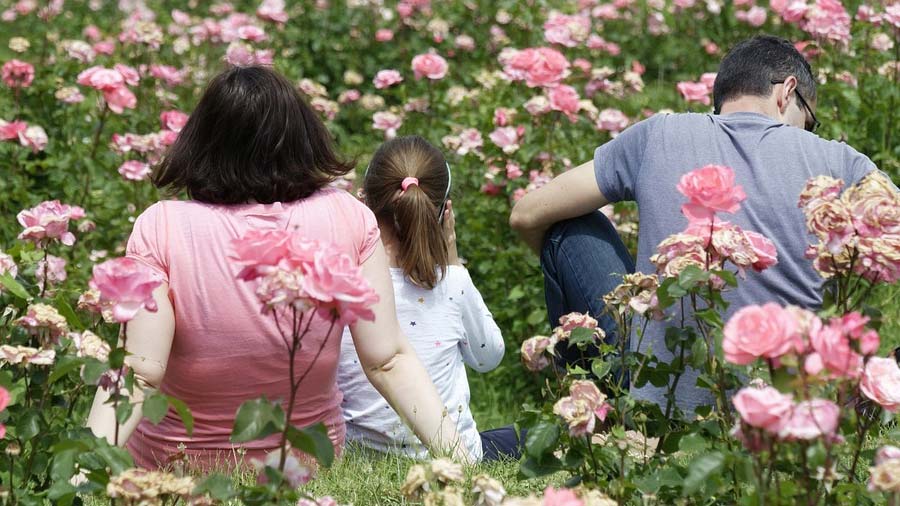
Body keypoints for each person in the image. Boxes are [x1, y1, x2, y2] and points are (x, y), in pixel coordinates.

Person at [85, 66, 471, 469]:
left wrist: (82, 473)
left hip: (175, 465)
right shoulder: (348, 217)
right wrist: (459, 459)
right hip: (305, 465)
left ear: (201, 141)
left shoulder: (161, 226)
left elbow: (140, 373)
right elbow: (388, 360)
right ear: (303, 138)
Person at [509, 35, 880, 414]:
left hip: (655, 390)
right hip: (785, 399)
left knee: (567, 230)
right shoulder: (842, 164)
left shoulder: (660, 135)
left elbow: (527, 215)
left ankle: (594, 408)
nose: (807, 133)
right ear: (788, 92)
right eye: (810, 122)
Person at [337, 136, 522, 462]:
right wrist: (453, 262)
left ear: (362, 202)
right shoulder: (451, 284)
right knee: (526, 434)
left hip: (361, 455)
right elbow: (488, 358)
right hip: (450, 455)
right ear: (443, 212)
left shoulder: (339, 285)